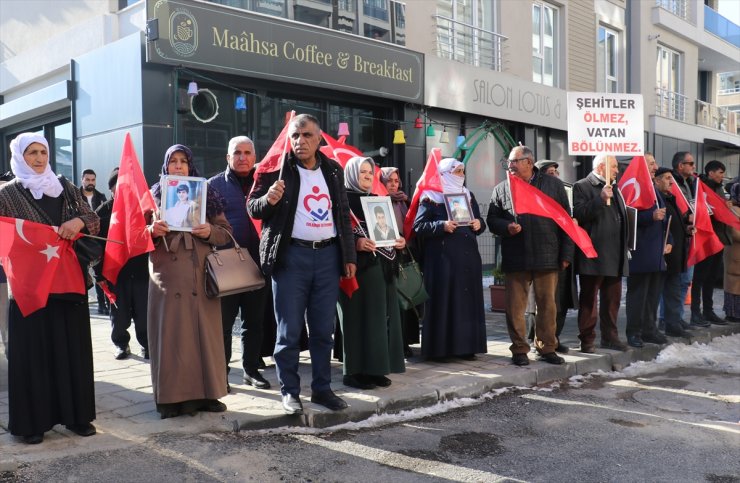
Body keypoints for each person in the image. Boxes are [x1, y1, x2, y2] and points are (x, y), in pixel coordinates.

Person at [247, 114, 356, 415]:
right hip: (291, 258)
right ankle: (290, 391)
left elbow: (343, 216)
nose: (299, 141)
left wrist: (348, 257)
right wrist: (268, 199)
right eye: (295, 136)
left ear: (319, 138)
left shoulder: (333, 170)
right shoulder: (276, 170)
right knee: (289, 331)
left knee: (323, 330)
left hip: (328, 258)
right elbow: (253, 208)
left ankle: (322, 389)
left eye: (306, 135)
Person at [0, 133, 99, 444]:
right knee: (33, 354)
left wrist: (78, 224)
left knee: (72, 350)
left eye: (43, 151)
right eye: (32, 153)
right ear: (19, 156)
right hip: (30, 287)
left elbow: (93, 219)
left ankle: (76, 417)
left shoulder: (65, 187)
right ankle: (32, 424)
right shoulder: (7, 194)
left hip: (69, 283)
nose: (40, 158)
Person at [147, 144, 232, 419]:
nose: (179, 166)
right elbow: (133, 235)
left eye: (184, 161)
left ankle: (208, 394)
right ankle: (171, 399)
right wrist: (151, 229)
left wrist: (209, 231)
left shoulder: (208, 194)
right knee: (171, 336)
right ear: (166, 166)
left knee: (204, 337)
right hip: (167, 277)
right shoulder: (152, 195)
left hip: (200, 275)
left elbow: (226, 233)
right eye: (174, 161)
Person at [488, 147, 574, 365]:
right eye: (509, 162)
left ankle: (547, 348)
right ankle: (519, 349)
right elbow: (492, 219)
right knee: (515, 306)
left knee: (548, 305)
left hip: (548, 254)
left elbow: (566, 220)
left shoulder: (553, 185)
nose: (511, 166)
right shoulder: (501, 189)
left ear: (528, 162)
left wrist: (566, 253)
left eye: (515, 161)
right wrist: (507, 226)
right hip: (516, 255)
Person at [207, 136, 269, 391]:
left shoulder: (265, 182)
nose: (242, 157)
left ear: (255, 157)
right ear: (228, 157)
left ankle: (251, 370)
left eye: (247, 152)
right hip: (227, 265)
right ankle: (221, 373)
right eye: (237, 153)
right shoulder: (213, 185)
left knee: (254, 323)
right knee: (222, 325)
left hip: (259, 263)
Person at [339, 156, 406, 390]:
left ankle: (377, 369)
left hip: (383, 267)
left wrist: (399, 240)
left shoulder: (378, 200)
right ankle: (355, 371)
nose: (367, 177)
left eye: (370, 173)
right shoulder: (341, 201)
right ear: (351, 175)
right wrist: (357, 243)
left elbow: (389, 230)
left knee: (381, 319)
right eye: (362, 173)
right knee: (357, 320)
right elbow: (337, 233)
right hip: (357, 269)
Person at [413, 158, 487, 360]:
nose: (460, 175)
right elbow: (418, 227)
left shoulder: (467, 195)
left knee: (466, 301)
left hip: (468, 256)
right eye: (456, 172)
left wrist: (479, 224)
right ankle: (441, 350)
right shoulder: (430, 197)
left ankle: (466, 347)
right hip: (442, 260)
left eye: (462, 171)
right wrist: (442, 225)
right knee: (445, 301)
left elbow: (481, 222)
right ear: (444, 174)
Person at [573, 154, 630, 353]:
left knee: (612, 300)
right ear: (601, 167)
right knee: (589, 299)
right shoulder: (582, 186)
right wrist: (600, 199)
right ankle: (587, 339)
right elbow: (579, 213)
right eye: (614, 167)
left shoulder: (616, 188)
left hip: (615, 253)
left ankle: (610, 337)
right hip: (594, 254)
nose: (617, 170)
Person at [94, 168, 149, 360]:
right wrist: (98, 275)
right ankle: (121, 344)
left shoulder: (144, 210)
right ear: (111, 189)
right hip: (115, 274)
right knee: (119, 315)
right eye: (118, 186)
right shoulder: (102, 212)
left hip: (142, 272)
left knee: (144, 315)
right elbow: (94, 246)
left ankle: (147, 344)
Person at [527, 159, 577, 353]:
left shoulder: (563, 192)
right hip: (541, 256)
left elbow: (567, 223)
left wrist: (567, 253)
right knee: (541, 301)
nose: (555, 176)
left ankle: (554, 337)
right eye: (549, 172)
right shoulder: (535, 193)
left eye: (556, 172)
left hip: (560, 254)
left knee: (560, 299)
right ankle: (536, 339)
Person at [625, 154, 670, 348]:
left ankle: (649, 329)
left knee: (653, 295)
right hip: (641, 252)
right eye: (651, 163)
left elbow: (665, 218)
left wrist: (671, 241)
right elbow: (630, 216)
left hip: (657, 252)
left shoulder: (653, 187)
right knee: (638, 296)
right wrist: (650, 216)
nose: (656, 166)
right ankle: (634, 332)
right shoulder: (635, 185)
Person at [380, 166, 419, 357]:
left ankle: (404, 342)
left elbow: (412, 227)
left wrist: (405, 242)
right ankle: (391, 343)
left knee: (405, 300)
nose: (393, 184)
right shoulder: (378, 201)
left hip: (404, 254)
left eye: (396, 181)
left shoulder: (404, 201)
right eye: (389, 181)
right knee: (391, 303)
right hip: (386, 256)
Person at [654, 167, 694, 338]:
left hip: (676, 253)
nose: (671, 182)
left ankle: (673, 323)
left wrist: (687, 229)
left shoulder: (670, 198)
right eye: (667, 178)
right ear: (657, 180)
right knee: (657, 293)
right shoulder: (656, 199)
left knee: (674, 291)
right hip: (663, 254)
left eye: (672, 178)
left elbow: (675, 225)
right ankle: (656, 325)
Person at [691, 160, 731, 326]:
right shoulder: (701, 187)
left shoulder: (719, 187)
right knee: (700, 277)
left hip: (719, 238)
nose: (723, 176)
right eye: (720, 172)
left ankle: (708, 310)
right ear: (711, 173)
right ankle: (695, 312)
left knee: (711, 278)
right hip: (706, 238)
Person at [670, 152, 705, 328]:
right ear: (680, 165)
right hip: (677, 239)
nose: (693, 166)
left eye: (693, 163)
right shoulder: (672, 183)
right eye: (690, 163)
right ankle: (668, 319)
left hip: (690, 237)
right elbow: (673, 210)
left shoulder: (692, 182)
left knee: (685, 281)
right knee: (674, 282)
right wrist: (687, 219)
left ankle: (679, 318)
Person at [80, 168, 109, 315]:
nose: (91, 182)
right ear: (82, 180)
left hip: (98, 240)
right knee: (83, 272)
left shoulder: (101, 197)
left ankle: (102, 302)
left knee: (99, 271)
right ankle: (83, 300)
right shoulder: (75, 198)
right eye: (88, 180)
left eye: (93, 180)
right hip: (82, 241)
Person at [723, 182, 740, 323]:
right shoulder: (732, 209)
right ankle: (732, 313)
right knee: (733, 283)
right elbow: (734, 233)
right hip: (735, 253)